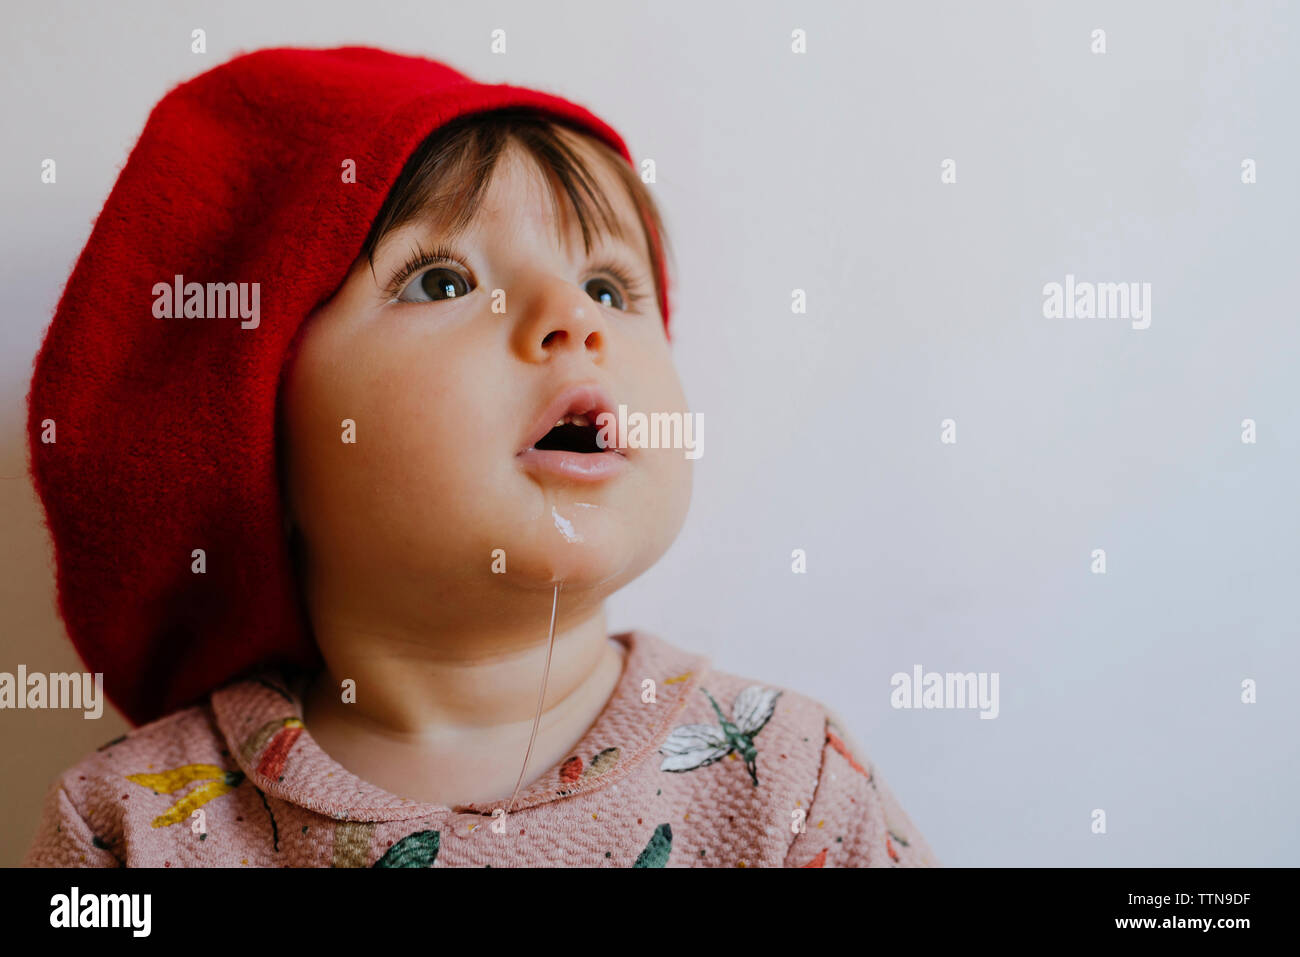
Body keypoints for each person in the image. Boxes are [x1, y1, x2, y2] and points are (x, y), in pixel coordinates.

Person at [23, 46, 937, 868]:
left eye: (611, 286)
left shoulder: (788, 780)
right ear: (256, 433)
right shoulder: (130, 828)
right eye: (444, 280)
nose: (573, 321)